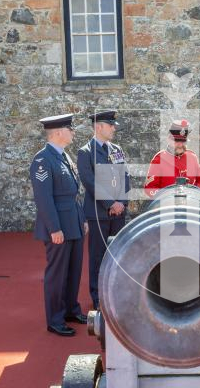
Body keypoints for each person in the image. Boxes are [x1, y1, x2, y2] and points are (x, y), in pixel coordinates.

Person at [30, 114, 88, 337]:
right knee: (57, 273)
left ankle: (71, 310)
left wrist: (81, 219)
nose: (73, 132)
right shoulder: (43, 160)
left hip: (72, 221)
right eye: (69, 128)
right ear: (57, 133)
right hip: (58, 226)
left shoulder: (64, 156)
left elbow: (73, 194)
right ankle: (55, 318)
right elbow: (44, 199)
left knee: (73, 270)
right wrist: (54, 228)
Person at [77, 110, 130, 311]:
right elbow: (89, 182)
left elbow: (125, 176)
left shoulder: (116, 149)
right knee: (98, 256)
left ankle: (116, 293)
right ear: (99, 127)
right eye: (111, 125)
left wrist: (122, 203)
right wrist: (110, 203)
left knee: (118, 254)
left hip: (118, 213)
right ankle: (98, 296)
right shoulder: (86, 152)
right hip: (99, 213)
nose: (114, 128)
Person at [144, 119, 200, 197]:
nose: (180, 145)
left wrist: (194, 194)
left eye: (183, 141)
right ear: (168, 139)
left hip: (190, 204)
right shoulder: (159, 159)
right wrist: (166, 198)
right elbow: (149, 188)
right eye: (177, 141)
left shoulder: (192, 157)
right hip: (167, 206)